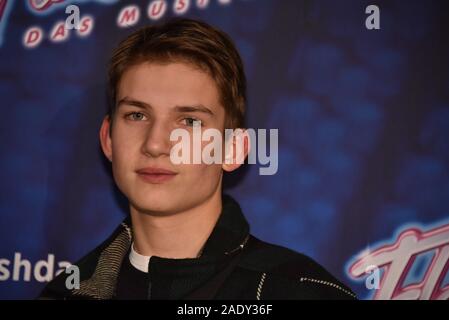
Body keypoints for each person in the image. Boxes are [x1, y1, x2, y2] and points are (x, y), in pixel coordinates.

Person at [39, 17, 356, 300]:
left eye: (189, 121)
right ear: (108, 139)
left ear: (232, 149)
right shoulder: (65, 293)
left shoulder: (299, 293)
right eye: (137, 115)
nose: (155, 144)